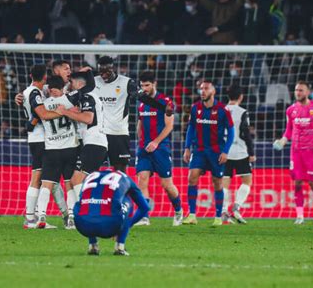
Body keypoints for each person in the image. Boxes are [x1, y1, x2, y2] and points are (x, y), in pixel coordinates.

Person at [273, 81, 313, 225]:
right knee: (297, 183)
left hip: (312, 152)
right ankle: (300, 216)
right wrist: (282, 141)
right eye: (296, 90)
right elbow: (289, 130)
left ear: (307, 92)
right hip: (296, 151)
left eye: (301, 90)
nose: (298, 93)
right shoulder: (291, 110)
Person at [22, 64, 69, 229]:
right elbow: (41, 113)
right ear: (44, 78)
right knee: (39, 178)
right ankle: (30, 218)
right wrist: (62, 113)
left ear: (30, 75)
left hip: (36, 139)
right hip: (41, 139)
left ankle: (37, 216)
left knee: (48, 179)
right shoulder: (35, 93)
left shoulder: (27, 91)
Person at [183, 81, 234, 226]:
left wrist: (225, 151)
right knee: (192, 177)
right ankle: (192, 215)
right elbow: (191, 128)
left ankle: (218, 217)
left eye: (206, 88)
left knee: (217, 183)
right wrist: (187, 148)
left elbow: (231, 132)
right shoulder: (195, 108)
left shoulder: (223, 110)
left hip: (216, 151)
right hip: (199, 150)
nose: (203, 91)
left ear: (213, 91)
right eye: (201, 89)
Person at [135, 71, 182, 227]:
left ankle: (178, 211)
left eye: (147, 85)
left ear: (154, 84)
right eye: (142, 86)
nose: (144, 88)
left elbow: (169, 126)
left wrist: (155, 142)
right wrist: (139, 137)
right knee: (142, 179)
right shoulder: (142, 102)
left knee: (167, 185)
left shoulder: (165, 102)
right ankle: (144, 217)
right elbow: (141, 122)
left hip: (160, 148)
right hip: (144, 148)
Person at [54, 71, 107, 203]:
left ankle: (86, 210)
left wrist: (65, 112)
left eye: (71, 83)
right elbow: (81, 113)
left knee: (76, 180)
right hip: (92, 144)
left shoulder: (87, 96)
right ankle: (82, 211)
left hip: (95, 144)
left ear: (79, 83)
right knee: (79, 181)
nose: (70, 85)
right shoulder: (87, 98)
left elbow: (88, 119)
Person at [35, 76, 80, 229]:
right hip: (70, 149)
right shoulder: (68, 101)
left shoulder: (44, 105)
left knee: (47, 184)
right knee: (69, 184)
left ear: (49, 89)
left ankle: (41, 215)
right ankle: (72, 218)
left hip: (52, 150)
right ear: (62, 88)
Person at [74, 168, 150, 256]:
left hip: (82, 226)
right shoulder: (125, 177)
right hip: (110, 225)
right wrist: (126, 225)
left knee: (88, 204)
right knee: (128, 199)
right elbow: (145, 207)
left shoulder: (90, 176)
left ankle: (93, 245)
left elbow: (81, 200)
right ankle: (120, 247)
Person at [222, 85, 255, 224]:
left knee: (224, 183)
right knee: (247, 180)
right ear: (240, 97)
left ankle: (223, 212)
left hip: (224, 152)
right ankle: (236, 208)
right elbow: (245, 133)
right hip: (240, 151)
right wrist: (251, 152)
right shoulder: (243, 112)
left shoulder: (220, 111)